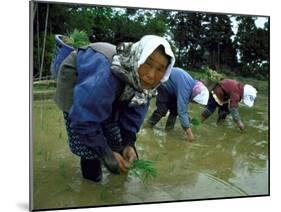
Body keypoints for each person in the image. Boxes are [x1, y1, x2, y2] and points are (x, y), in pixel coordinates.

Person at [52, 35, 175, 182]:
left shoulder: (147, 86)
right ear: (139, 57)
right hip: (78, 76)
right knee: (88, 147)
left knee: (116, 138)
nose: (151, 75)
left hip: (108, 89)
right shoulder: (106, 75)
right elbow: (83, 120)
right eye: (147, 64)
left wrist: (129, 143)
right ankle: (91, 182)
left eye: (160, 69)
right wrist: (105, 154)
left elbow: (134, 113)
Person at [146, 67, 209, 142]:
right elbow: (182, 111)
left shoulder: (192, 86)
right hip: (165, 84)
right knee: (162, 110)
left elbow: (182, 109)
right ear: (195, 96)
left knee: (175, 111)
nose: (194, 103)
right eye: (195, 101)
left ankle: (168, 130)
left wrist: (188, 119)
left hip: (173, 90)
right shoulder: (186, 89)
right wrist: (189, 133)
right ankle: (148, 127)